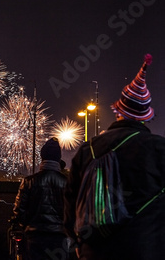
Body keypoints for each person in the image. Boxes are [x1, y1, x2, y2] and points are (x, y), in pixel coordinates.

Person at [65, 54, 165, 259]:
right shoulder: (159, 149)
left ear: (118, 111)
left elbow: (70, 202)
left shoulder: (89, 150)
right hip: (146, 249)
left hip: (95, 251)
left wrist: (77, 241)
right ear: (145, 117)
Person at [12, 137, 68, 260]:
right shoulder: (67, 183)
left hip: (35, 236)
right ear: (58, 158)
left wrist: (26, 224)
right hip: (60, 237)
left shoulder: (29, 181)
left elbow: (19, 210)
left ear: (42, 157)